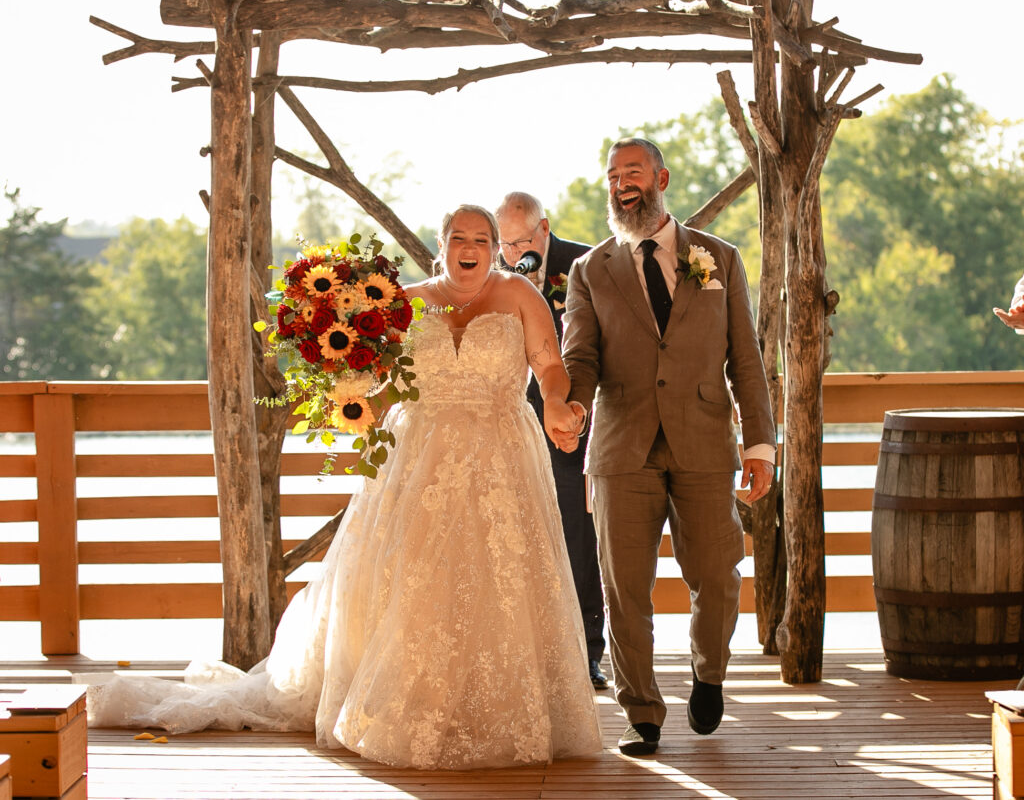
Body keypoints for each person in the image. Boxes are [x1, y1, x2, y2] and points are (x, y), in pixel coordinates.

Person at [82, 204, 602, 770]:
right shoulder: (405, 301)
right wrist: (351, 395)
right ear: (442, 242)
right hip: (418, 454)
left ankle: (499, 704)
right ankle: (413, 700)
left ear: (497, 245)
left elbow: (549, 365)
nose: (469, 247)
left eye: (482, 238)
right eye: (459, 237)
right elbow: (383, 388)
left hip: (502, 451)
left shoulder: (520, 295)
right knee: (416, 577)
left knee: (497, 574)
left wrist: (555, 402)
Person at [557, 138, 776, 756]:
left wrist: (760, 445)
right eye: (612, 175)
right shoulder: (590, 270)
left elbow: (746, 358)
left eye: (633, 172)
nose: (621, 183)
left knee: (718, 575)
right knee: (624, 588)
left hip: (706, 442)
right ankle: (642, 712)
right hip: (621, 446)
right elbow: (581, 356)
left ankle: (709, 673)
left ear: (661, 178)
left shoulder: (720, 259)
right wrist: (569, 405)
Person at [495, 191, 608, 690]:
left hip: (571, 428)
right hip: (503, 429)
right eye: (506, 242)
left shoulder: (585, 265)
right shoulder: (492, 277)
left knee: (578, 539)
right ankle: (522, 656)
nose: (516, 251)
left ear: (545, 228)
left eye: (523, 238)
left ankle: (587, 654)